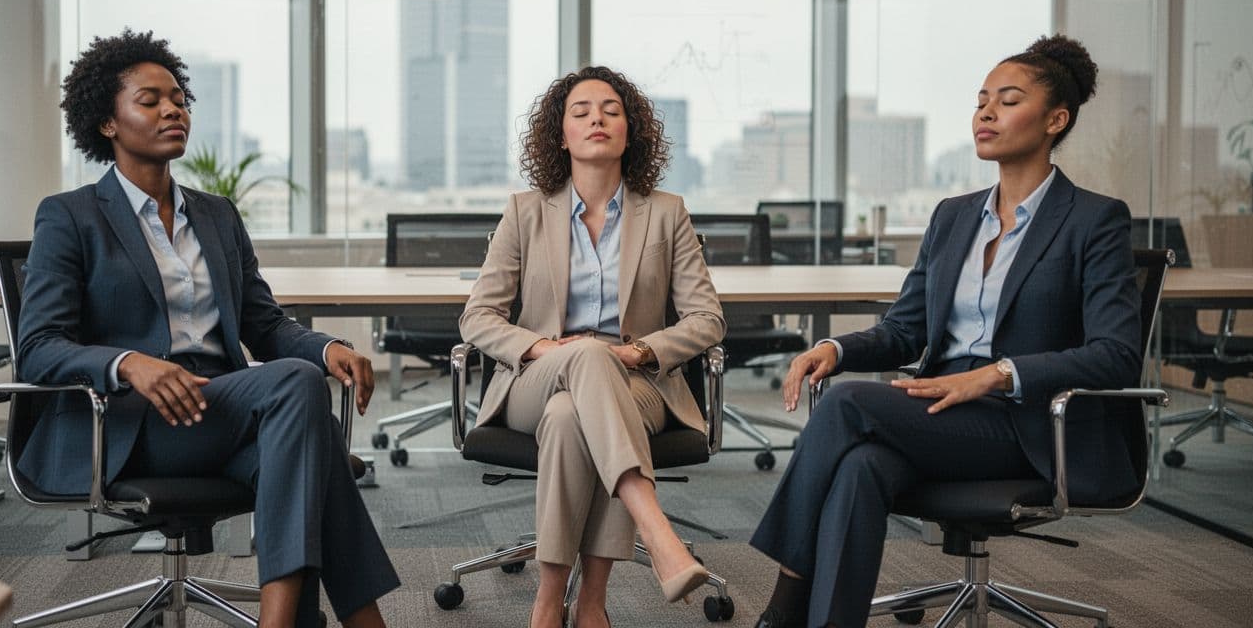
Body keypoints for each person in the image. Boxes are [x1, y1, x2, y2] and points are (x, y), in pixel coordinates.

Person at [750, 35, 1142, 628]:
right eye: (982, 99)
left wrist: (996, 375)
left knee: (850, 403)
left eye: (1007, 101)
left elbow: (1115, 356)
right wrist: (834, 347)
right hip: (940, 412)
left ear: (1055, 119)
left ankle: (783, 607)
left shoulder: (1094, 219)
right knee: (861, 468)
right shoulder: (954, 216)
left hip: (1024, 422)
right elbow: (906, 331)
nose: (985, 113)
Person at [17, 29, 399, 628]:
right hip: (134, 423)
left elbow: (263, 324)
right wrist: (129, 364)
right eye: (150, 100)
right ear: (108, 123)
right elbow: (37, 349)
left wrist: (327, 349)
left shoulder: (216, 215)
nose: (173, 109)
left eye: (178, 98)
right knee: (302, 405)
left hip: (222, 410)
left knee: (307, 428)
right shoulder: (71, 217)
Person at [459, 66, 727, 628]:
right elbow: (477, 318)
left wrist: (641, 352)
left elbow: (707, 319)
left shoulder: (667, 212)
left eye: (611, 110)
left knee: (568, 416)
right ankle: (653, 532)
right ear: (561, 135)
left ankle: (558, 603)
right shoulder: (525, 211)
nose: (596, 119)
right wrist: (543, 349)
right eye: (580, 112)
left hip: (638, 381)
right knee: (580, 359)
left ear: (632, 132)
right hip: (539, 374)